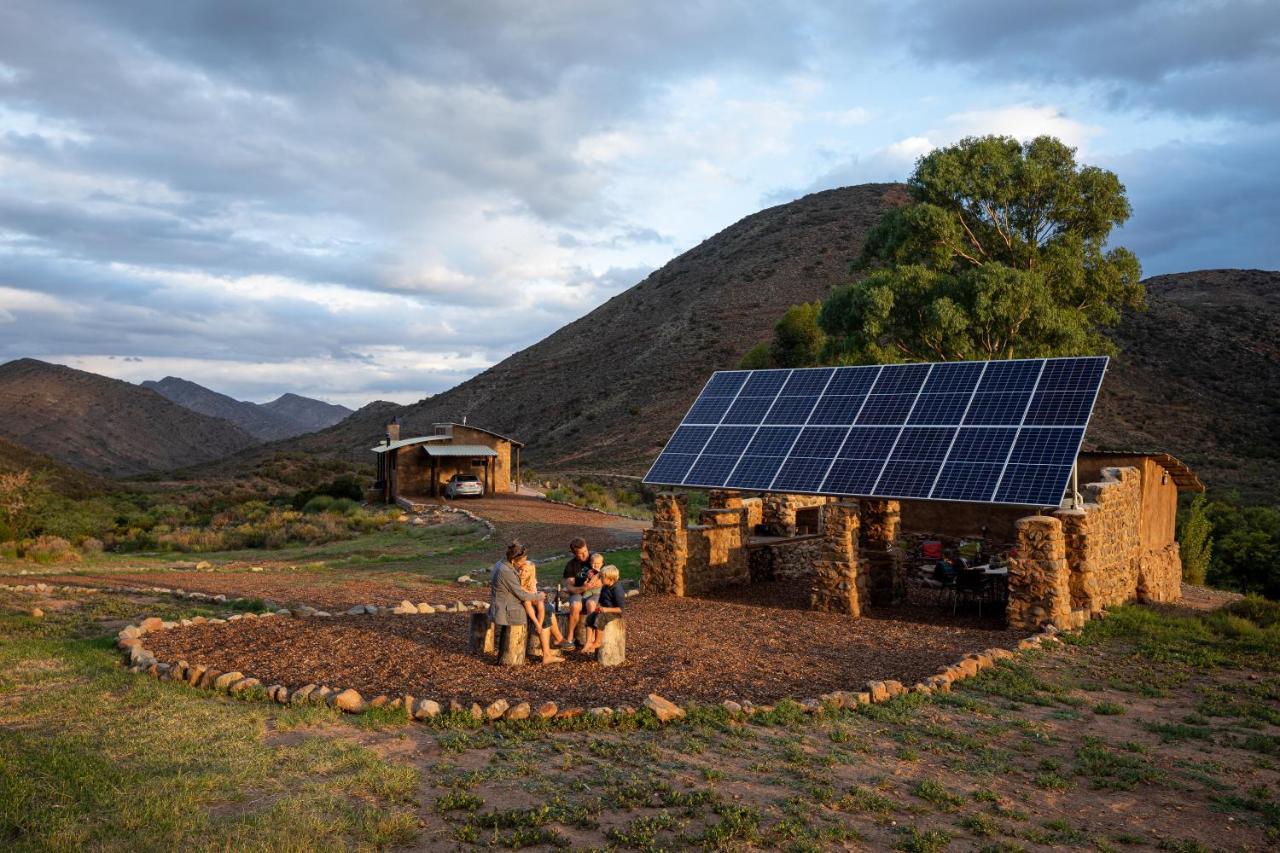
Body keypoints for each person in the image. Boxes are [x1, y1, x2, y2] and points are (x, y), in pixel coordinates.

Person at [488, 541, 561, 665]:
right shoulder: (506, 572)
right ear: (513, 560)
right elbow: (521, 594)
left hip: (508, 602)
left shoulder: (502, 564)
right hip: (508, 608)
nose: (523, 564)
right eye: (522, 562)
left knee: (547, 609)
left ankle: (555, 643)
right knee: (546, 611)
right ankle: (547, 653)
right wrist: (538, 596)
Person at [517, 556, 566, 660]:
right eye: (521, 570)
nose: (523, 573)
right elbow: (525, 596)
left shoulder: (532, 580)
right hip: (524, 602)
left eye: (526, 571)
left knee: (544, 606)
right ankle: (555, 642)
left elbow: (533, 594)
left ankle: (547, 635)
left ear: (531, 573)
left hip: (533, 600)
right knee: (547, 609)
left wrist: (536, 595)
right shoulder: (516, 580)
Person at [580, 565, 624, 655]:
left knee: (599, 618)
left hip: (614, 612)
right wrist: (598, 607)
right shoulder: (604, 587)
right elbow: (601, 601)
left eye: (602, 577)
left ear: (610, 578)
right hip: (604, 610)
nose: (600, 579)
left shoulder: (617, 589)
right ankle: (588, 642)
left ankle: (597, 642)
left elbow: (620, 609)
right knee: (590, 617)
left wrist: (605, 609)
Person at [561, 537, 591, 650]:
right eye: (580, 554)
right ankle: (570, 638)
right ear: (574, 554)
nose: (585, 555)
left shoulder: (595, 559)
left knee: (594, 605)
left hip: (594, 593)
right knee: (575, 605)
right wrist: (584, 587)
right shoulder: (571, 566)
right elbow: (570, 588)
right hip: (578, 593)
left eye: (585, 551)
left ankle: (591, 640)